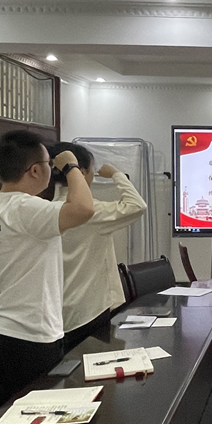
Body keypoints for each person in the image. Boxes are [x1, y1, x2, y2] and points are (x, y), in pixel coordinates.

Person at [0, 130, 95, 413]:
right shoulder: (25, 207)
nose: (52, 171)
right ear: (35, 170)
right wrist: (72, 166)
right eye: (49, 165)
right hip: (25, 336)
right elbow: (83, 209)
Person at [48, 143, 147, 352]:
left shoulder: (45, 209)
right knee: (94, 363)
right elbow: (137, 205)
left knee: (70, 366)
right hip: (89, 309)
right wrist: (117, 175)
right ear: (81, 172)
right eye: (91, 169)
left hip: (57, 309)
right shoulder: (92, 213)